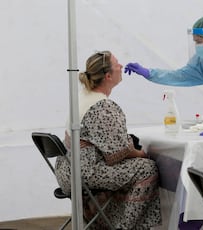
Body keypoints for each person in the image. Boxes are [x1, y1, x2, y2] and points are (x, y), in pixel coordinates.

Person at [54, 51, 162, 229]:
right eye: (117, 63)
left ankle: (102, 221)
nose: (121, 66)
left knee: (133, 167)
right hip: (83, 173)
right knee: (146, 168)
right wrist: (143, 154)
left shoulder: (82, 96)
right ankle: (124, 226)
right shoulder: (102, 106)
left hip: (67, 169)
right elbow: (118, 154)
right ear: (108, 76)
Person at [124, 13, 203, 92]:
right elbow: (178, 76)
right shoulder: (202, 63)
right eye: (195, 42)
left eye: (199, 42)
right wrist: (149, 73)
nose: (197, 46)